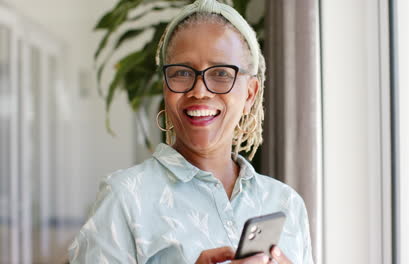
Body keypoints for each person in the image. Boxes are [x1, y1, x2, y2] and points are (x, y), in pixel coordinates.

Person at [68, 0, 313, 263]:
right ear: (165, 87)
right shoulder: (126, 198)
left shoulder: (285, 203)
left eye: (221, 73)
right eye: (182, 73)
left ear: (250, 94)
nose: (199, 91)